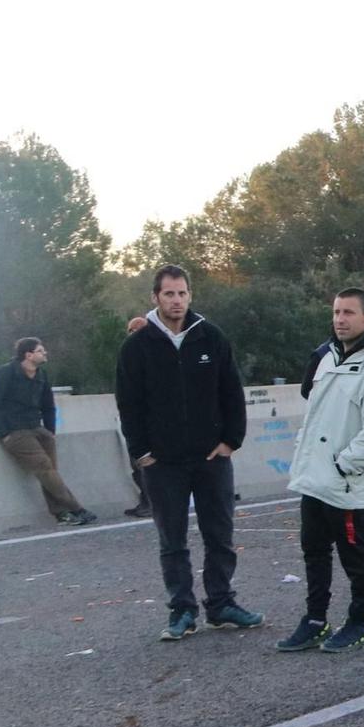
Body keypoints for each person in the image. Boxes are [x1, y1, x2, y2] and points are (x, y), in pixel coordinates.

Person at [116, 264, 263, 641]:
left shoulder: (210, 338)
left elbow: (232, 392)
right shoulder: (137, 346)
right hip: (162, 462)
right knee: (173, 540)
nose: (176, 300)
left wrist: (232, 440)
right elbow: (128, 405)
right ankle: (182, 610)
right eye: (169, 294)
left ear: (190, 295)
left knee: (220, 534)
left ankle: (221, 603)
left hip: (211, 457)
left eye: (182, 293)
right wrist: (141, 451)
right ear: (155, 297)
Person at [277, 289, 364, 654]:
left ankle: (361, 622)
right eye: (336, 312)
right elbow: (315, 416)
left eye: (348, 312)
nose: (340, 319)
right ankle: (316, 620)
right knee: (313, 552)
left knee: (354, 555)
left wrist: (344, 463)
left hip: (346, 483)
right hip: (314, 479)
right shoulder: (326, 359)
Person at [0, 338, 98, 527]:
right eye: (40, 351)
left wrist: (50, 431)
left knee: (49, 472)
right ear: (28, 355)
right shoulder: (6, 373)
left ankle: (61, 514)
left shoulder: (41, 375)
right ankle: (77, 509)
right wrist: (4, 433)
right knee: (44, 466)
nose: (45, 354)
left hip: (37, 428)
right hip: (16, 431)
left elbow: (48, 405)